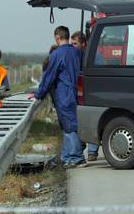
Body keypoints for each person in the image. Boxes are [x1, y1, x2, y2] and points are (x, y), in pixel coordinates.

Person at [29, 26, 86, 168]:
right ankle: (66, 157)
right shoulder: (77, 52)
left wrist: (38, 94)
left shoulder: (57, 55)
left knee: (70, 126)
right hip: (77, 92)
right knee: (68, 124)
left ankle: (77, 157)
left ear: (57, 37)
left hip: (64, 94)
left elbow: (48, 77)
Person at [70, 31, 99, 161]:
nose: (72, 46)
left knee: (93, 121)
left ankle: (92, 151)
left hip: (92, 94)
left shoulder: (94, 57)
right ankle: (81, 146)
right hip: (78, 95)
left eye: (75, 43)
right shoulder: (73, 57)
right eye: (72, 43)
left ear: (83, 43)